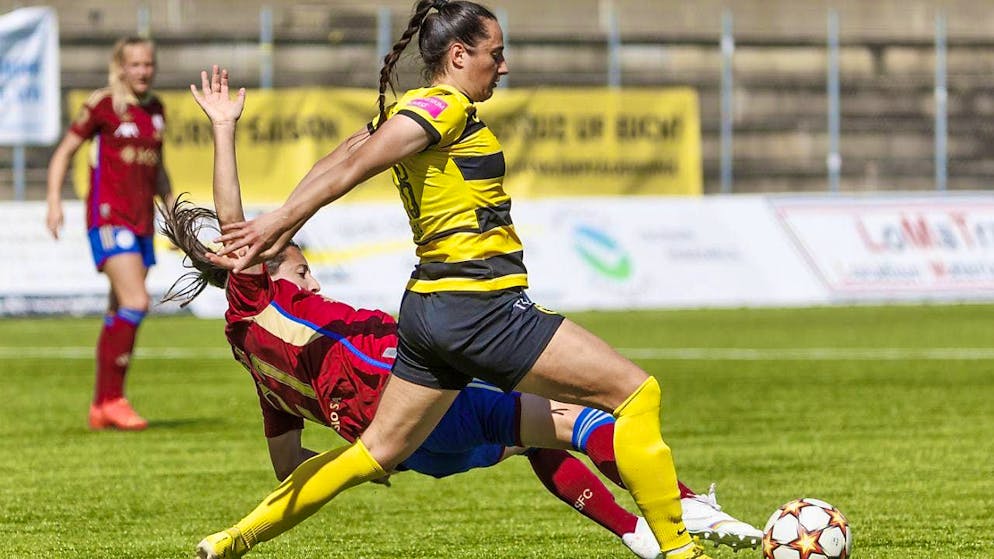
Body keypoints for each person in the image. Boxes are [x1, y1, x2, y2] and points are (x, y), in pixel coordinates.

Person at [171, 66, 761, 559]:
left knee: (535, 433)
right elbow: (235, 223)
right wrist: (224, 129)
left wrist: (363, 452)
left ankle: (638, 534)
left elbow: (286, 466)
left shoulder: (259, 370)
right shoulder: (255, 302)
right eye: (301, 270)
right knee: (589, 415)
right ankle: (684, 518)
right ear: (257, 270)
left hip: (419, 449)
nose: (313, 278)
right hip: (416, 391)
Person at [45, 36, 174, 431]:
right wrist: (53, 200)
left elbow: (159, 170)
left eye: (148, 64)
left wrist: (174, 214)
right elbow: (65, 150)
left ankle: (103, 405)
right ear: (120, 67)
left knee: (120, 311)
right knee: (137, 301)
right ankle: (112, 399)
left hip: (141, 222)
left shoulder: (156, 110)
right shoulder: (103, 105)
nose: (143, 71)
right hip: (108, 218)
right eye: (135, 65)